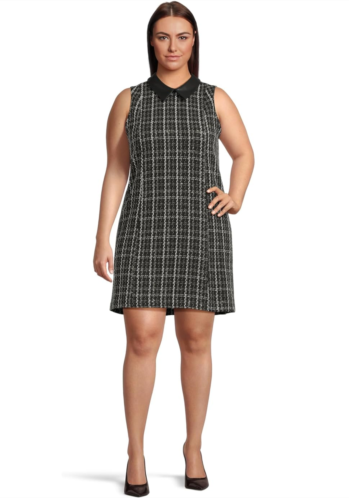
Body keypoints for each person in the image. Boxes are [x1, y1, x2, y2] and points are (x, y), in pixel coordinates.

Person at [94, 2, 254, 495]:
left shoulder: (214, 98)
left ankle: (193, 447)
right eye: (163, 37)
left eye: (182, 37)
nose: (172, 46)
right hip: (144, 227)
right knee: (141, 340)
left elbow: (245, 153)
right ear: (151, 41)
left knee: (196, 341)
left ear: (194, 42)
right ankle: (135, 452)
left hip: (201, 230)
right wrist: (101, 235)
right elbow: (116, 169)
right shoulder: (129, 100)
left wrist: (235, 195)